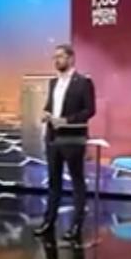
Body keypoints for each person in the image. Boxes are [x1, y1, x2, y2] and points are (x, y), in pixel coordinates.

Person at [34, 43, 96, 242]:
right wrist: (46, 113)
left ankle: (76, 225)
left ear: (71, 58)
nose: (56, 60)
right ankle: (48, 222)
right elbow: (50, 105)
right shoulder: (53, 82)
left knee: (77, 181)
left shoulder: (83, 82)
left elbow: (90, 110)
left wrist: (67, 120)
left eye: (60, 56)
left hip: (73, 137)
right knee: (54, 181)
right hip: (53, 137)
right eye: (55, 57)